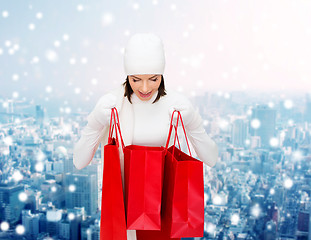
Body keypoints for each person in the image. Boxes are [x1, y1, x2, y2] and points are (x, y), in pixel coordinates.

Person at [73, 33, 218, 240]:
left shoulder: (176, 105)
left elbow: (211, 158)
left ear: (162, 75)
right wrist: (96, 122)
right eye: (136, 79)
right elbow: (79, 161)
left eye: (153, 79)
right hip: (123, 218)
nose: (144, 88)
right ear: (126, 75)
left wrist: (193, 123)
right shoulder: (112, 104)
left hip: (165, 214)